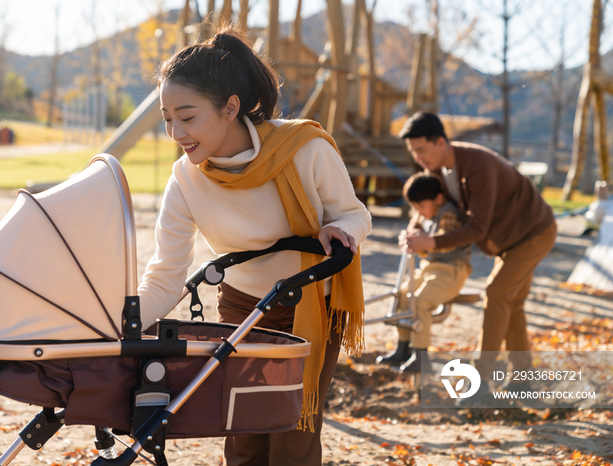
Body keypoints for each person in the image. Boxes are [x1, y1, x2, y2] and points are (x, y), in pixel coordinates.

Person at [138, 28, 372, 466]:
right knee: (243, 432)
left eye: (187, 117)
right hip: (243, 307)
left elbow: (356, 214)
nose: (175, 132)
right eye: (167, 118)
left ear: (230, 107)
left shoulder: (304, 149)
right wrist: (123, 321)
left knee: (291, 434)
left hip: (311, 306)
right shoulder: (186, 180)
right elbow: (166, 274)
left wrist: (341, 231)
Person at [397, 112, 556, 401]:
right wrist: (412, 232)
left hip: (534, 232)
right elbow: (424, 209)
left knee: (496, 293)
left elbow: (477, 227)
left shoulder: (478, 165)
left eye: (421, 150)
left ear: (442, 142)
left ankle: (480, 381)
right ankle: (523, 378)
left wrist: (431, 241)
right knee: (511, 304)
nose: (418, 158)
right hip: (509, 239)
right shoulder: (436, 172)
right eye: (413, 152)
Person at [375, 172, 471, 373]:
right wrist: (410, 234)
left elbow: (446, 243)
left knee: (420, 300)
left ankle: (421, 356)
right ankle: (403, 347)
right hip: (430, 268)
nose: (418, 211)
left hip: (452, 270)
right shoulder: (424, 213)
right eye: (415, 207)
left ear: (437, 199)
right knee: (402, 294)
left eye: (421, 206)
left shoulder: (448, 214)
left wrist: (423, 244)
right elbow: (415, 232)